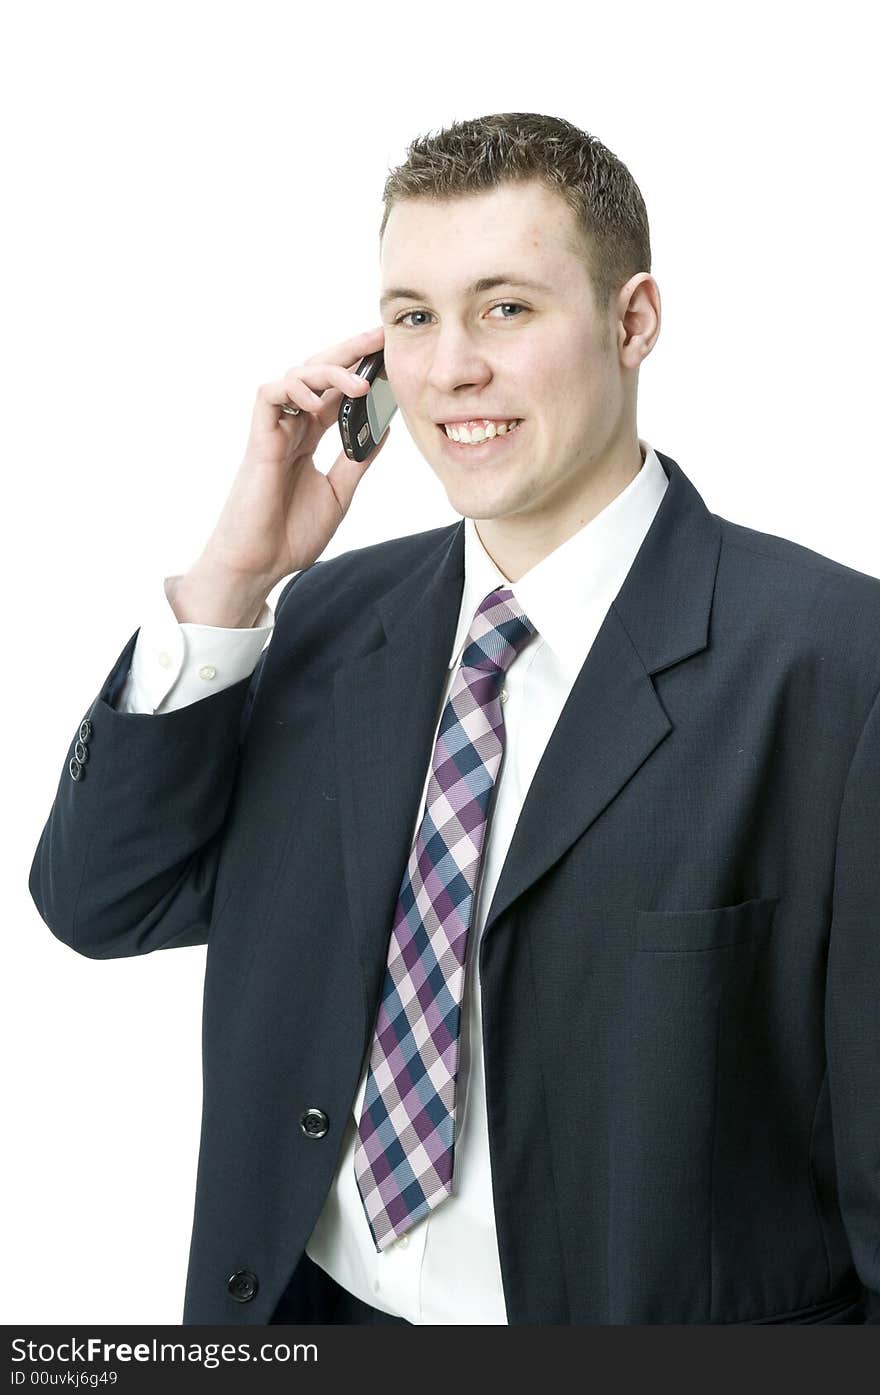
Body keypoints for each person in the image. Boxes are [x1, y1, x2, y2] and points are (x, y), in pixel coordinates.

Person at [29, 111, 880, 1326]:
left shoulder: (839, 670)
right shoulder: (327, 624)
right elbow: (102, 901)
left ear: (632, 322)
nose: (447, 371)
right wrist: (230, 587)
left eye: (506, 308)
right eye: (414, 317)